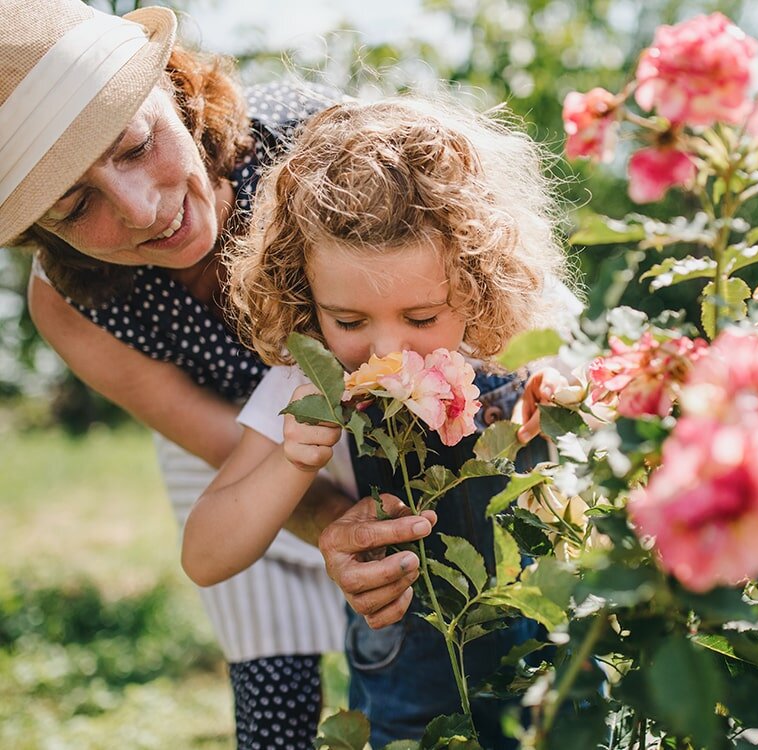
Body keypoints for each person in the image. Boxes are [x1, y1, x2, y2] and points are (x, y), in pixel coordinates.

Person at [1, 2, 433, 747]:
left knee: (425, 636)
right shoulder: (71, 304)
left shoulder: (321, 150)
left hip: (392, 394)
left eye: (137, 145)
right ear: (44, 231)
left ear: (175, 87)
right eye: (77, 208)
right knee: (274, 691)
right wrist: (335, 528)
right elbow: (218, 453)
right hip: (236, 437)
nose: (141, 211)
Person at [181, 96, 577, 748]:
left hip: (549, 666)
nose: (386, 351)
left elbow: (605, 455)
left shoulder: (513, 342)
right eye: (349, 321)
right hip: (406, 692)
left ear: (475, 282)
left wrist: (565, 411)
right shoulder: (307, 382)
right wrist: (292, 459)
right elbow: (205, 552)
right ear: (305, 295)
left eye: (421, 319)